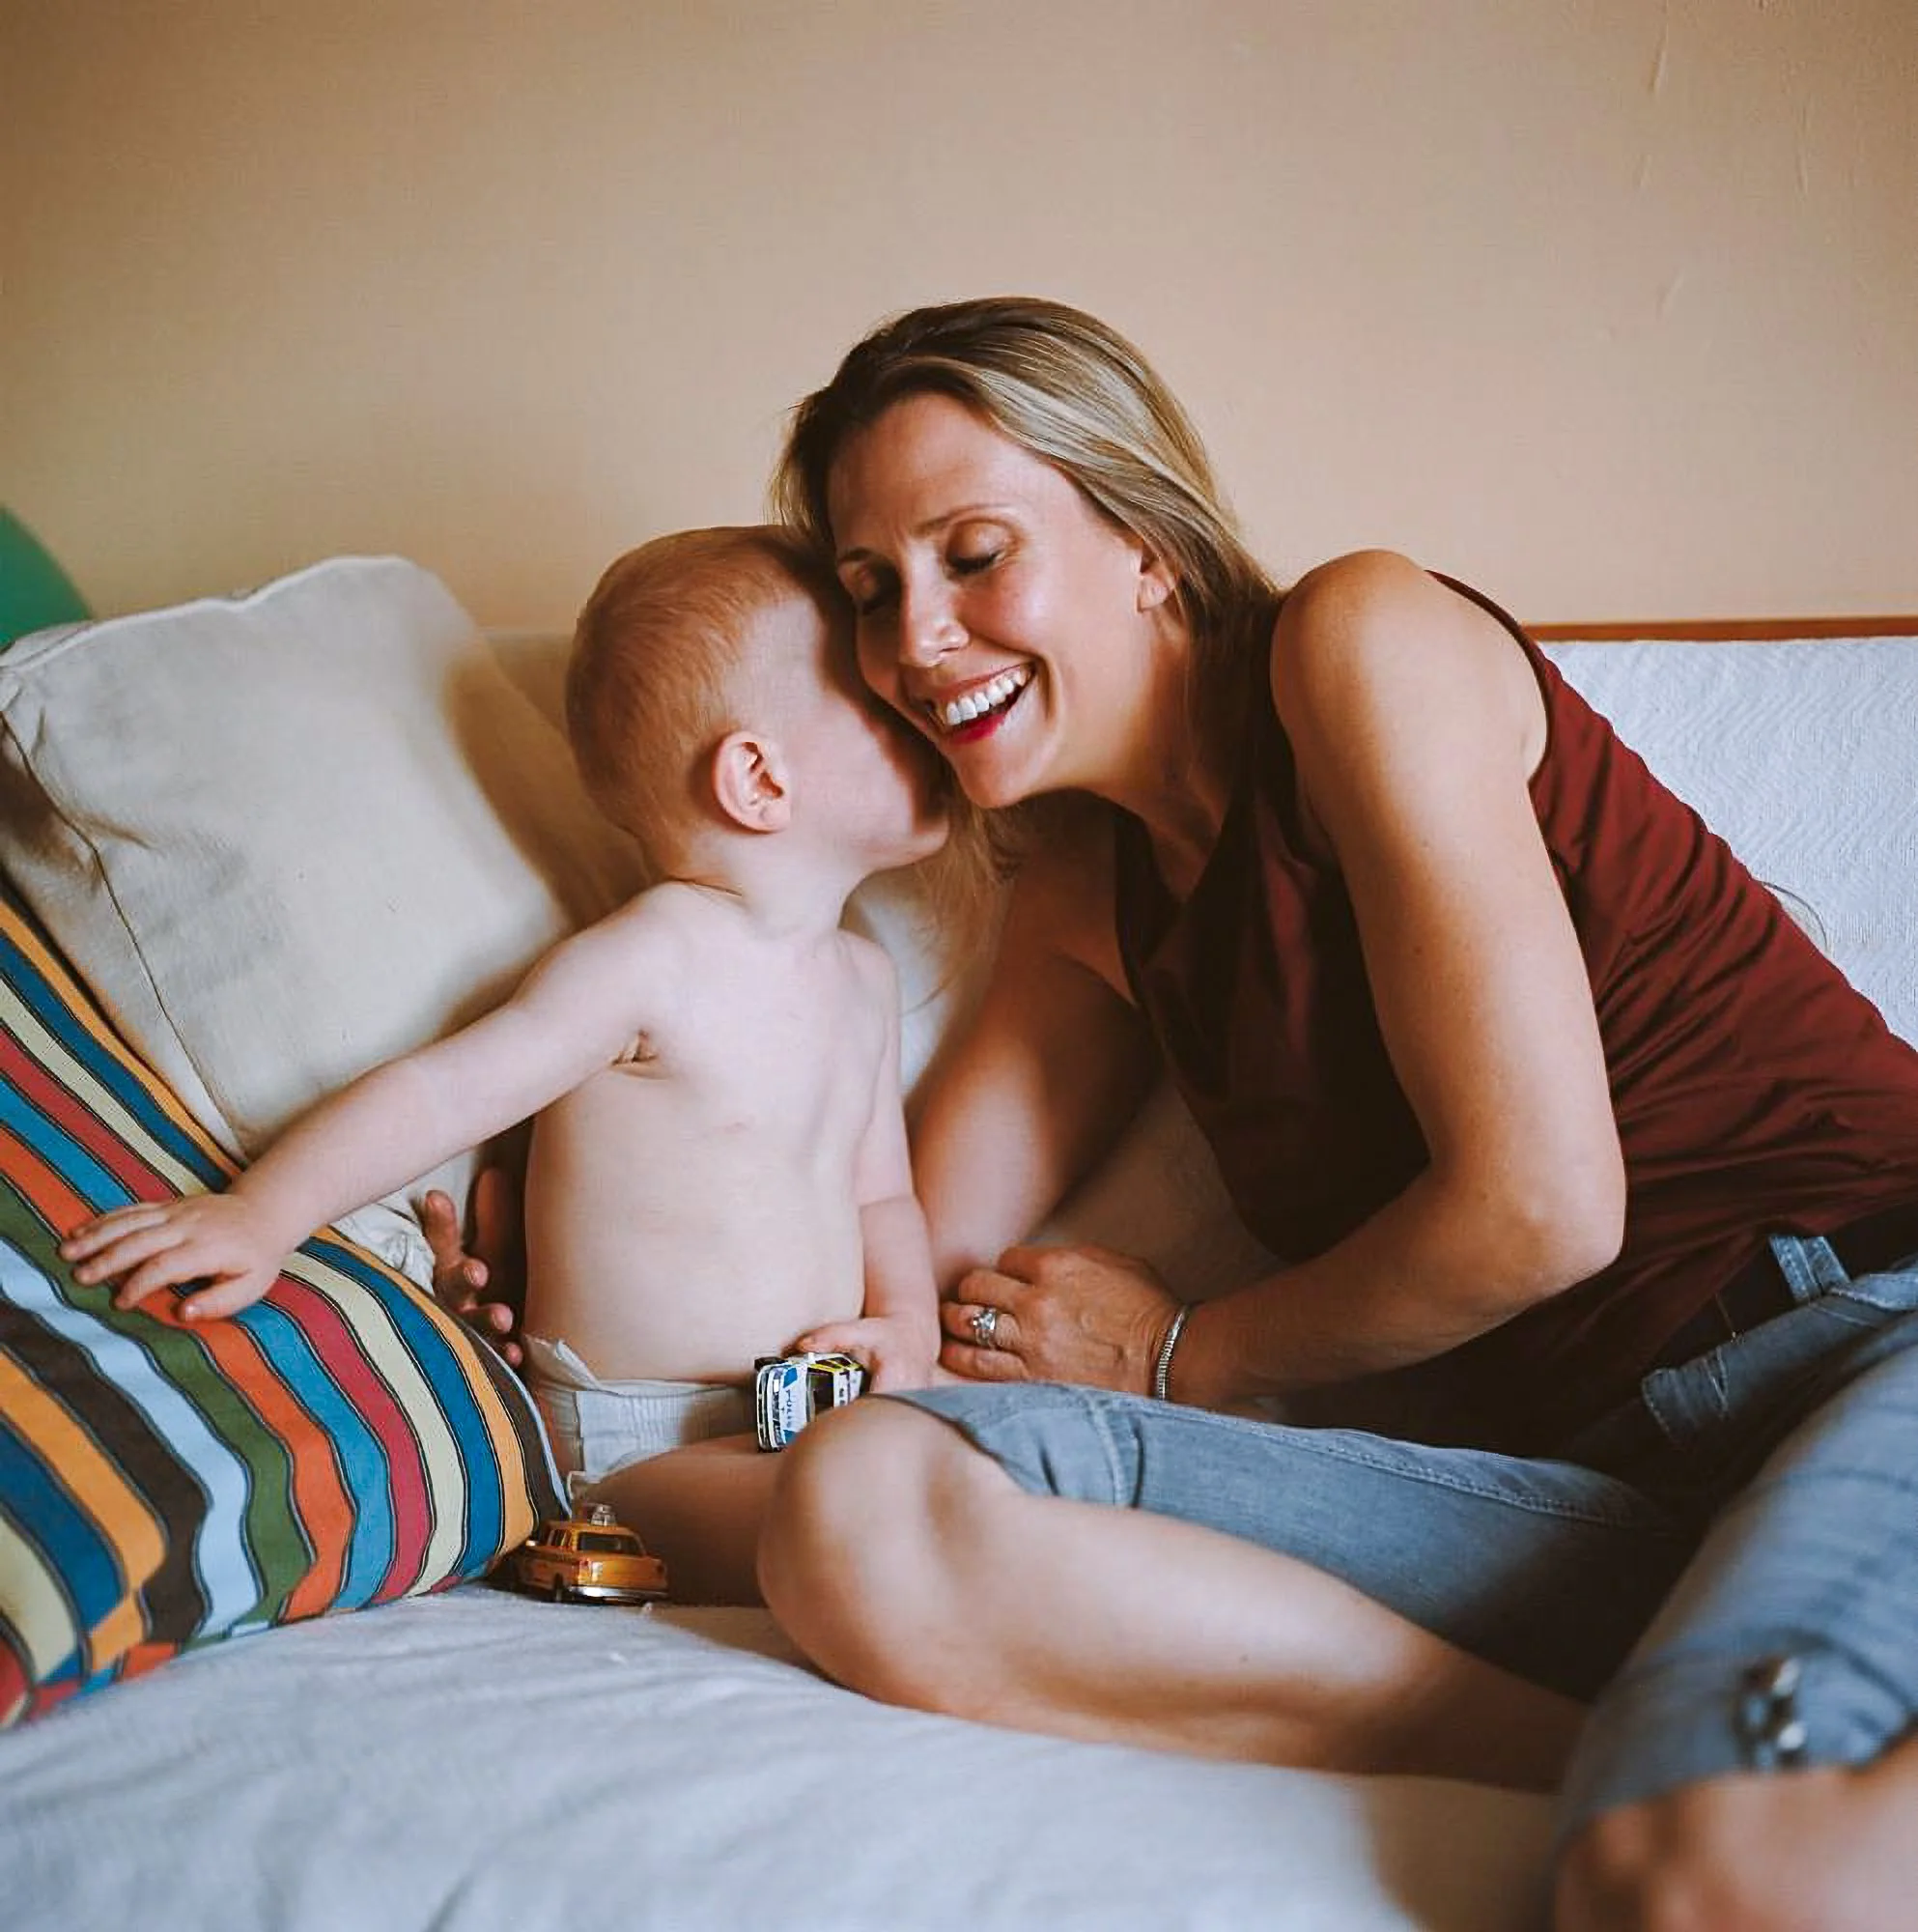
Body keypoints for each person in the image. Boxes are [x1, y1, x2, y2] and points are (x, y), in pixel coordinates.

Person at [719, 297, 1918, 1932]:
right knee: (866, 1502)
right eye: (871, 592)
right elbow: (902, 1257)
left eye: (972, 552)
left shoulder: (1359, 641)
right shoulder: (1087, 889)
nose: (913, 638)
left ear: (1145, 541)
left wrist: (1178, 1358)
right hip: (1599, 1498)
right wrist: (567, 1245)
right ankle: (1602, 1746)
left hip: (1853, 1338)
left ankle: (1692, 1790)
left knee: (1695, 1883)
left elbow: (1545, 1208)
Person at [62, 524, 951, 1603]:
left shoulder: (861, 979)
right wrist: (263, 1212)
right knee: (867, 1518)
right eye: (878, 705)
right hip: (642, 1448)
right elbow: (448, 1087)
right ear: (757, 777)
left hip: (823, 1405)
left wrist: (907, 1323)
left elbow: (884, 1198)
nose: (924, 706)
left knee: (982, 1461)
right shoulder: (648, 961)